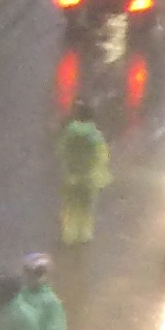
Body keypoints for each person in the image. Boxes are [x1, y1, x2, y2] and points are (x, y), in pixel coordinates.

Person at [58, 101, 112, 248]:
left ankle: (69, 234)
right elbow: (101, 156)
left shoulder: (69, 134)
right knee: (86, 207)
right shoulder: (95, 136)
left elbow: (62, 151)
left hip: (71, 177)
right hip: (88, 179)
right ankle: (83, 235)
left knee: (71, 206)